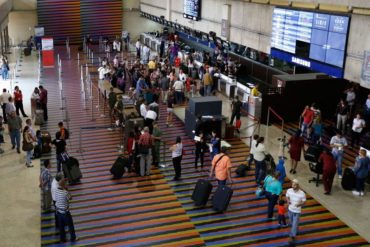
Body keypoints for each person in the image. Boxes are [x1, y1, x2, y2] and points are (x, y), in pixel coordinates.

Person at [55, 178, 78, 243]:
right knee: (70, 225)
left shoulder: (56, 190)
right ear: (64, 185)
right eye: (66, 184)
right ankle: (73, 238)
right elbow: (70, 198)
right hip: (65, 213)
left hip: (58, 212)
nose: (67, 184)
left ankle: (62, 239)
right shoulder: (65, 193)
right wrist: (67, 190)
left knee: (61, 227)